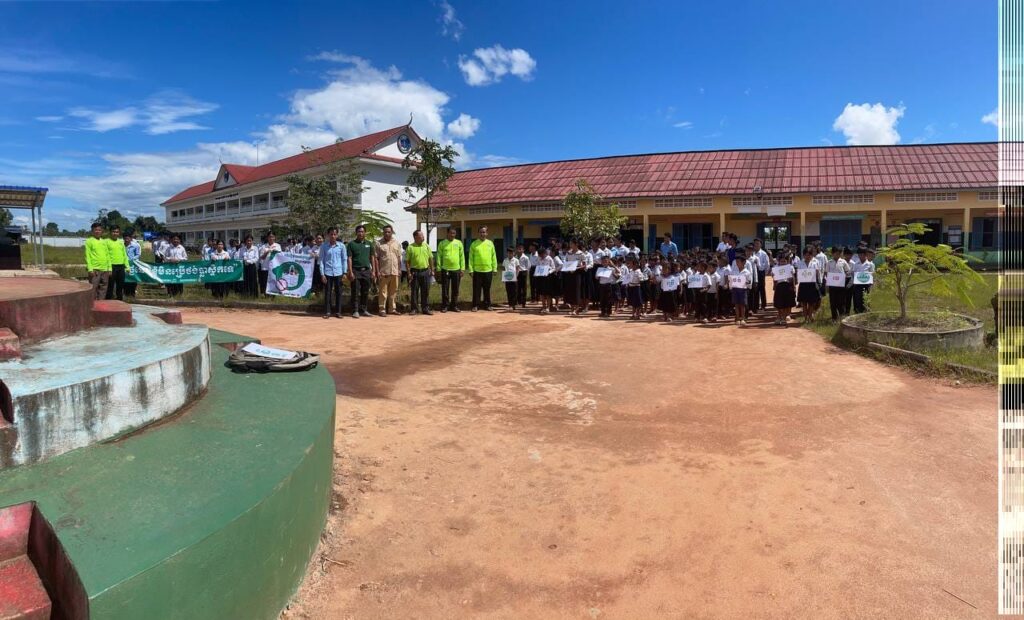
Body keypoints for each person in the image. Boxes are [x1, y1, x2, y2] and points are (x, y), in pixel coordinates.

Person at [346, 225, 376, 318]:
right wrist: (350, 271)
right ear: (356, 233)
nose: (361, 233)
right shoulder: (351, 244)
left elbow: (372, 258)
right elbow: (349, 258)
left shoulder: (369, 244)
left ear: (365, 233)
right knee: (355, 291)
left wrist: (373, 271)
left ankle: (364, 310)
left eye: (362, 231)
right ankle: (355, 311)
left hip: (366, 271)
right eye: (359, 231)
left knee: (365, 291)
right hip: (356, 271)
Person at [374, 225, 403, 316]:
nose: (387, 233)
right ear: (383, 233)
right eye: (385, 232)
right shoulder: (378, 243)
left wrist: (399, 269)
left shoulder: (397, 243)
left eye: (389, 232)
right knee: (383, 292)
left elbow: (398, 258)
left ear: (392, 232)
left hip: (394, 271)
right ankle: (382, 309)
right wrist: (377, 271)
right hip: (384, 272)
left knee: (393, 292)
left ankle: (392, 309)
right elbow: (376, 258)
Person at [319, 227, 347, 318]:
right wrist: (322, 274)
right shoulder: (324, 246)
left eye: (335, 234)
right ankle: (327, 312)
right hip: (328, 272)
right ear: (328, 235)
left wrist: (345, 273)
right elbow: (321, 261)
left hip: (339, 272)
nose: (333, 236)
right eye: (331, 234)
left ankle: (338, 312)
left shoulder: (341, 246)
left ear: (337, 235)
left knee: (339, 292)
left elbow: (344, 259)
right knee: (328, 293)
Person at [468, 226, 498, 311]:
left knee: (487, 289)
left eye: (484, 232)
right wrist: (471, 270)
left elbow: (493, 257)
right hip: (477, 271)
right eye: (481, 232)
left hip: (488, 270)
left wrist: (494, 268)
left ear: (487, 233)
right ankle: (475, 305)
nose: (482, 234)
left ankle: (487, 305)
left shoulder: (490, 243)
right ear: (478, 233)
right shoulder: (474, 244)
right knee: (476, 289)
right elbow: (470, 258)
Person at [436, 227, 465, 312]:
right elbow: (439, 256)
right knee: (445, 289)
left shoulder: (459, 243)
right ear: (447, 233)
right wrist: (438, 268)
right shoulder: (442, 243)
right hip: (445, 269)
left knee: (455, 289)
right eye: (451, 233)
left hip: (456, 269)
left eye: (454, 233)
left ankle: (454, 306)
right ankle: (445, 306)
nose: (452, 235)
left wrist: (462, 268)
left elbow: (462, 256)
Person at [406, 229, 434, 315]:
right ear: (416, 237)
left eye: (423, 235)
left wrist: (432, 270)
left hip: (425, 271)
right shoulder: (410, 247)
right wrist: (409, 273)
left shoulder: (426, 246)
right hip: (414, 272)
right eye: (421, 235)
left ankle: (425, 308)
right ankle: (414, 309)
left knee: (425, 291)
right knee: (414, 291)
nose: (423, 237)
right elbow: (407, 262)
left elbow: (431, 258)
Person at [85, 222, 111, 300]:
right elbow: (87, 256)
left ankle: (101, 302)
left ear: (102, 231)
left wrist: (109, 268)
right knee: (93, 288)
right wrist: (90, 269)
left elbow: (107, 255)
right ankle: (93, 303)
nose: (97, 231)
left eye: (99, 230)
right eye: (95, 230)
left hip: (105, 269)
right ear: (92, 231)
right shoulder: (89, 241)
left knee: (103, 288)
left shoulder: (104, 242)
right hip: (95, 269)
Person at [103, 225, 129, 301]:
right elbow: (106, 255)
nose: (115, 233)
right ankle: (108, 301)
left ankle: (119, 301)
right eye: (113, 232)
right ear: (110, 232)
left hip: (121, 266)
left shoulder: (121, 242)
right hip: (111, 267)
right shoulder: (106, 242)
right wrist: (109, 268)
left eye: (117, 232)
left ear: (119, 233)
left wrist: (127, 266)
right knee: (110, 286)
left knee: (120, 286)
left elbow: (124, 255)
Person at [826, 246, 851, 321]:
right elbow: (826, 273)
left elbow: (848, 271)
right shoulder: (829, 262)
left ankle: (841, 317)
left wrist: (845, 276)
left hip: (841, 285)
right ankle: (834, 318)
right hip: (832, 285)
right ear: (832, 253)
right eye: (836, 253)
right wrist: (827, 284)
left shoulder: (843, 262)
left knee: (841, 301)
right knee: (833, 302)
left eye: (839, 253)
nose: (838, 255)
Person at [771, 252, 796, 325]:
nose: (783, 263)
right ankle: (779, 316)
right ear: (778, 261)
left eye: (784, 261)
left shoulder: (790, 267)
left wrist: (794, 286)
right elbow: (773, 277)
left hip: (787, 286)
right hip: (779, 286)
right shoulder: (776, 267)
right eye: (781, 261)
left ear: (787, 261)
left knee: (786, 302)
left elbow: (793, 278)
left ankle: (784, 317)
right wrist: (773, 276)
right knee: (779, 302)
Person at [562, 239, 585, 315]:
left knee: (577, 290)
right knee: (570, 290)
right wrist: (567, 268)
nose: (570, 245)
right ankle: (572, 308)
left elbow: (584, 265)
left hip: (577, 273)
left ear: (576, 244)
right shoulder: (568, 253)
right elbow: (566, 262)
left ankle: (576, 309)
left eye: (571, 244)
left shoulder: (581, 253)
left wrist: (576, 268)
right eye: (570, 244)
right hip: (569, 273)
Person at [727, 254, 751, 325]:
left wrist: (745, 282)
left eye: (738, 262)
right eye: (736, 262)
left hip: (743, 290)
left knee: (742, 305)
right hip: (735, 289)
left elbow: (749, 281)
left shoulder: (747, 272)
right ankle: (737, 318)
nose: (737, 263)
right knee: (736, 304)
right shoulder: (734, 271)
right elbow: (731, 280)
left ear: (744, 262)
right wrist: (730, 286)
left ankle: (743, 318)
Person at [851, 247, 875, 314]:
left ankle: (866, 312)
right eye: (860, 254)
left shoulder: (870, 264)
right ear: (858, 255)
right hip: (857, 285)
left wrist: (871, 283)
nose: (861, 256)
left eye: (863, 254)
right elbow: (853, 273)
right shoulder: (856, 264)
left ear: (866, 255)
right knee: (858, 299)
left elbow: (872, 274)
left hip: (866, 285)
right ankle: (858, 312)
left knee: (866, 298)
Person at [534, 247, 558, 315]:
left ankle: (548, 307)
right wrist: (536, 273)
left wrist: (549, 272)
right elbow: (537, 267)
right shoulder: (538, 259)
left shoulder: (549, 258)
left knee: (548, 293)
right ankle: (543, 306)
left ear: (544, 253)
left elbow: (553, 268)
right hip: (540, 277)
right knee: (541, 293)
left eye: (541, 255)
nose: (541, 256)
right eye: (539, 255)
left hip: (548, 278)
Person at [259, 233, 281, 297]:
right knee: (265, 282)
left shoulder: (278, 246)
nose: (271, 238)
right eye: (269, 237)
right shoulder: (263, 246)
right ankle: (266, 295)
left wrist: (275, 251)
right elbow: (262, 257)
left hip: (274, 267)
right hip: (265, 267)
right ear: (267, 238)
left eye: (272, 237)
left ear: (275, 237)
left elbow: (280, 256)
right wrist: (267, 251)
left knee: (274, 281)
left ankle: (273, 296)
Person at [752, 239, 770, 312]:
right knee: (755, 289)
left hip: (760, 272)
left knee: (762, 289)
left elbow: (767, 265)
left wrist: (764, 273)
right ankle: (756, 306)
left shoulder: (763, 254)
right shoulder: (752, 253)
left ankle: (763, 305)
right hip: (753, 272)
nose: (756, 245)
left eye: (757, 243)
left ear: (760, 245)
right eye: (755, 243)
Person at [123, 230, 141, 297]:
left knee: (133, 278)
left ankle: (132, 293)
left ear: (131, 238)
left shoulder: (135, 245)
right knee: (125, 278)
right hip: (124, 265)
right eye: (125, 238)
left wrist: (131, 259)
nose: (127, 239)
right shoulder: (122, 245)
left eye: (128, 238)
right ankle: (126, 293)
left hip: (132, 264)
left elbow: (138, 254)